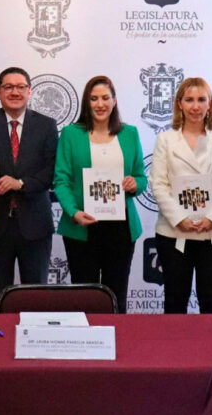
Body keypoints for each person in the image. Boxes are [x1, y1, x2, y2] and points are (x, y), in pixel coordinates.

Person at [0, 67, 59, 312]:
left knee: (36, 298)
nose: (15, 92)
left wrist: (21, 183)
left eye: (20, 87)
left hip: (35, 226)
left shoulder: (47, 125)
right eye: (8, 87)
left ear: (30, 91)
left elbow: (51, 172)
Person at [53, 75, 147, 313]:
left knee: (116, 295)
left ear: (114, 101)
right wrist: (73, 212)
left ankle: (117, 335)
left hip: (121, 228)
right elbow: (61, 180)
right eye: (94, 98)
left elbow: (141, 177)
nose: (100, 104)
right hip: (82, 225)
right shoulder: (70, 134)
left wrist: (134, 184)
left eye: (105, 98)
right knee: (85, 298)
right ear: (87, 102)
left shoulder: (130, 133)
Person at [150, 77, 212, 314]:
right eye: (189, 100)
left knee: (211, 301)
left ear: (210, 104)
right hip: (173, 233)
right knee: (175, 301)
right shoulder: (165, 139)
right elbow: (158, 184)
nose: (195, 106)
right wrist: (179, 218)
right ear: (179, 103)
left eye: (201, 100)